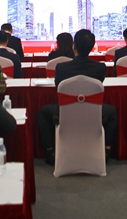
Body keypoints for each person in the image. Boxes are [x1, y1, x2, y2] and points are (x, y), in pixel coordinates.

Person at [38, 29, 118, 165]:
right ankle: (106, 151)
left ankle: (51, 152)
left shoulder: (61, 68)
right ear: (92, 47)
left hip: (64, 112)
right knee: (113, 112)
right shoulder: (100, 68)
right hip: (93, 112)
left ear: (74, 46)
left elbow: (59, 89)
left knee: (42, 112)